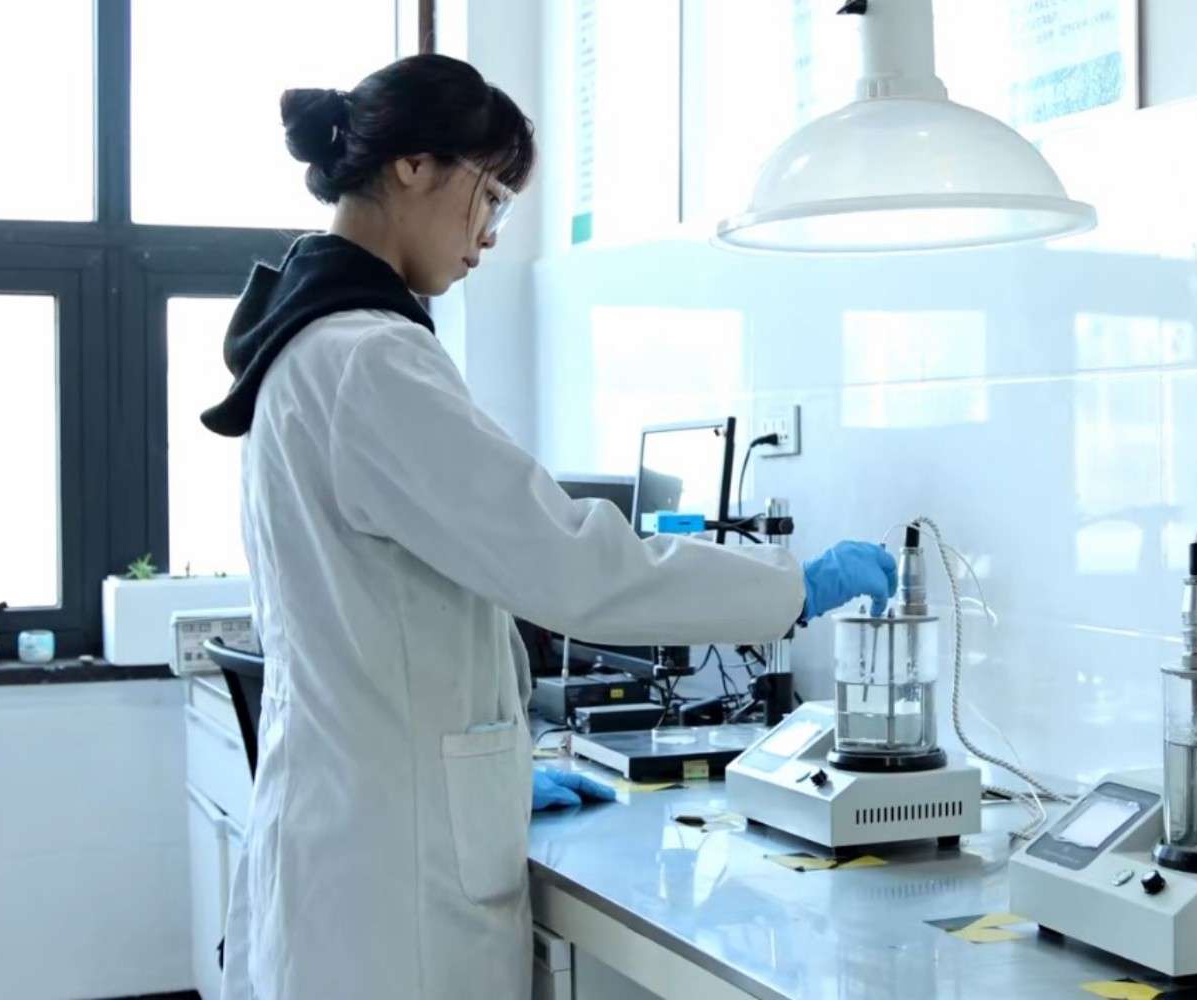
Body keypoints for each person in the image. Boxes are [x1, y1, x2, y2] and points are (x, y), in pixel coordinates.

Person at [200, 54, 895, 1000]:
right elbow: (573, 566)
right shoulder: (372, 360)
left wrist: (486, 769)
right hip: (393, 877)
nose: (490, 235)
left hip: (354, 828)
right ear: (413, 166)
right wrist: (792, 587)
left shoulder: (308, 346)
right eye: (488, 195)